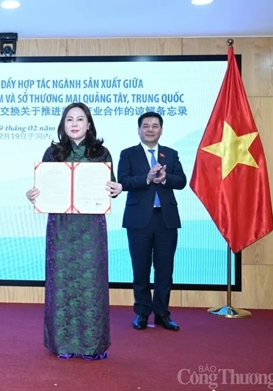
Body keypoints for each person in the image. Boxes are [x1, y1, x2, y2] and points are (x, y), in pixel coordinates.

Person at [26, 102, 122, 361]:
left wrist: (117, 189)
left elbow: (110, 187)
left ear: (89, 124)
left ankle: (92, 345)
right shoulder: (52, 153)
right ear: (63, 124)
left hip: (91, 228)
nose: (75, 123)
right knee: (62, 283)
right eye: (69, 119)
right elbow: (43, 189)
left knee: (92, 284)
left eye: (80, 119)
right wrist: (33, 195)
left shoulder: (101, 152)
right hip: (61, 228)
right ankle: (63, 343)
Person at [117, 111, 187, 331]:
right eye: (145, 126)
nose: (150, 129)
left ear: (161, 130)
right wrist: (146, 178)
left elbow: (182, 181)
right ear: (139, 130)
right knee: (141, 269)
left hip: (166, 220)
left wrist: (165, 178)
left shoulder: (170, 154)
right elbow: (123, 181)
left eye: (155, 126)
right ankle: (142, 313)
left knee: (165, 270)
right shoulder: (128, 154)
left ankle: (162, 314)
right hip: (139, 221)